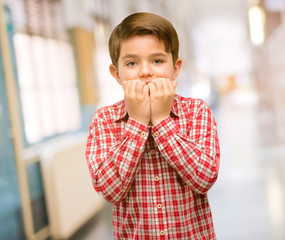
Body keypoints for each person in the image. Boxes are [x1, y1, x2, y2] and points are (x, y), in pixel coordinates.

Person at [85, 12, 220, 239]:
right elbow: (109, 190)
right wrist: (137, 122)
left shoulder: (197, 111)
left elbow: (204, 177)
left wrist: (161, 120)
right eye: (131, 63)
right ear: (116, 74)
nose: (145, 71)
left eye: (157, 61)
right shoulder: (105, 120)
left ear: (175, 68)